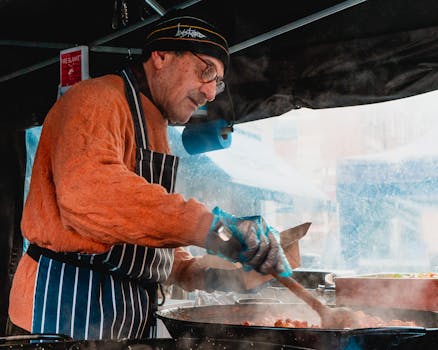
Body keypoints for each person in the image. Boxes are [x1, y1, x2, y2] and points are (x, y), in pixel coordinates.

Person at [7, 15, 293, 340]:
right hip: (64, 309)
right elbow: (91, 197)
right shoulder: (95, 100)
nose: (212, 92)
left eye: (218, 82)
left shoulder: (156, 126)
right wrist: (216, 228)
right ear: (161, 56)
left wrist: (224, 273)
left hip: (125, 320)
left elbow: (150, 243)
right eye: (206, 72)